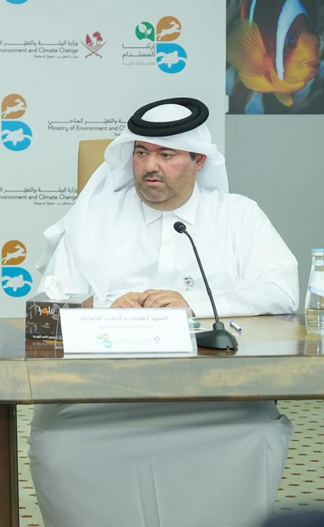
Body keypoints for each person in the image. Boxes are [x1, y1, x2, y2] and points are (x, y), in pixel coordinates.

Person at [29, 97, 298, 527]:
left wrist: (196, 304)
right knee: (61, 443)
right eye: (141, 153)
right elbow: (44, 313)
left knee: (258, 432)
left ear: (198, 161)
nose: (149, 165)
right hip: (100, 398)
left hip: (215, 398)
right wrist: (101, 309)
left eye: (166, 155)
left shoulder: (238, 216)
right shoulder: (91, 221)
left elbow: (282, 291)